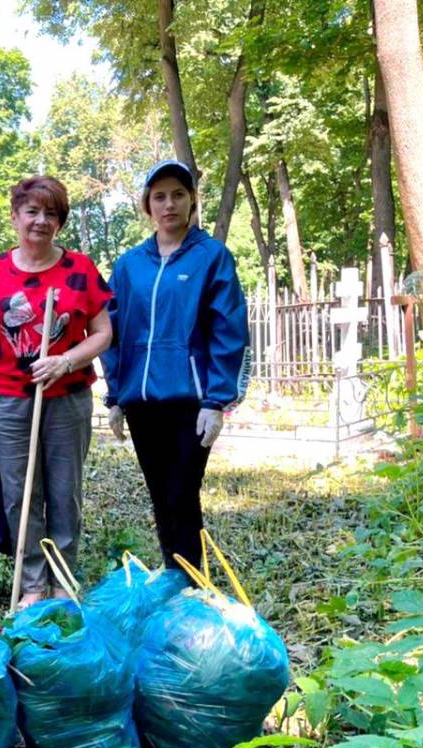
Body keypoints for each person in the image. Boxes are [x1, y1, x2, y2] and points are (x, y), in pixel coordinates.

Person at [0, 176, 112, 608]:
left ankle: (62, 578)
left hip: (67, 397)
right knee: (20, 492)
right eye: (32, 211)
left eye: (51, 213)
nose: (41, 221)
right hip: (9, 399)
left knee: (64, 490)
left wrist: (66, 360)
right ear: (15, 216)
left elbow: (103, 333)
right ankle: (31, 582)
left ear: (60, 222)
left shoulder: (80, 270)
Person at [102, 159, 250, 571]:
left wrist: (216, 401)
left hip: (192, 401)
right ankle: (175, 575)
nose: (169, 204)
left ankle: (193, 583)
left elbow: (229, 330)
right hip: (142, 403)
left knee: (182, 491)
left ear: (192, 201)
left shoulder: (212, 257)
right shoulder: (129, 265)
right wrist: (115, 396)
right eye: (160, 196)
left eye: (178, 195)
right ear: (147, 205)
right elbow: (114, 331)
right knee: (159, 493)